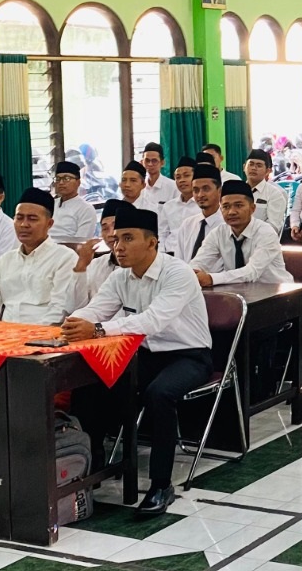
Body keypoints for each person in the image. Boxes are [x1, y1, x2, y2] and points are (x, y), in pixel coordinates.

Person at [65, 207, 213, 515]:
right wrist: (74, 323)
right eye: (116, 238)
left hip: (189, 356)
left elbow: (153, 320)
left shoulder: (177, 273)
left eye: (128, 238)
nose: (118, 246)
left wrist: (96, 330)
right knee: (91, 381)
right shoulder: (120, 277)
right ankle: (94, 466)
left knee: (160, 394)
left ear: (152, 242)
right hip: (144, 355)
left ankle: (161, 484)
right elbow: (97, 309)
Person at [0, 188, 81, 324]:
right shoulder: (6, 260)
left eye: (32, 219)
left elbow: (60, 310)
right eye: (19, 218)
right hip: (5, 335)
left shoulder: (65, 258)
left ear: (49, 224)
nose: (23, 224)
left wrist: (30, 337)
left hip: (44, 337)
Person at [191, 180, 291, 286]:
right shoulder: (218, 233)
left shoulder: (266, 233)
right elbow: (199, 262)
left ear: (252, 208)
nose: (231, 212)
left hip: (277, 294)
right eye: (226, 207)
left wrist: (211, 278)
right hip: (239, 294)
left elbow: (252, 272)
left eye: (238, 206)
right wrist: (191, 273)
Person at [73, 200, 127, 303]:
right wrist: (81, 266)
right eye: (105, 229)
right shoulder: (95, 265)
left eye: (115, 226)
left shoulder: (141, 266)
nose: (110, 234)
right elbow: (76, 304)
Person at [176, 163, 225, 259]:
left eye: (206, 189)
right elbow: (179, 260)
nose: (200, 195)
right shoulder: (187, 224)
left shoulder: (227, 226)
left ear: (219, 191)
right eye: (196, 190)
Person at [156, 157, 202, 255]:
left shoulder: (202, 206)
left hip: (195, 254)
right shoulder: (168, 206)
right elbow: (162, 233)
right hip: (170, 255)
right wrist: (161, 254)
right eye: (178, 177)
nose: (181, 180)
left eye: (186, 176)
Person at [50, 161, 99, 242]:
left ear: (78, 182)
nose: (61, 183)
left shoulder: (86, 209)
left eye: (67, 178)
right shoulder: (50, 204)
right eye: (58, 179)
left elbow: (82, 242)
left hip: (68, 252)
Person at [240, 149, 285, 233]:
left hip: (262, 242)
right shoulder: (237, 190)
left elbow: (273, 226)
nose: (254, 168)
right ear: (244, 167)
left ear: (267, 171)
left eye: (259, 165)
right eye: (251, 164)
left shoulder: (275, 194)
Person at [135, 143, 178, 210]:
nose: (150, 164)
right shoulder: (138, 187)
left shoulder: (173, 187)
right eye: (147, 160)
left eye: (154, 161)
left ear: (162, 163)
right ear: (142, 162)